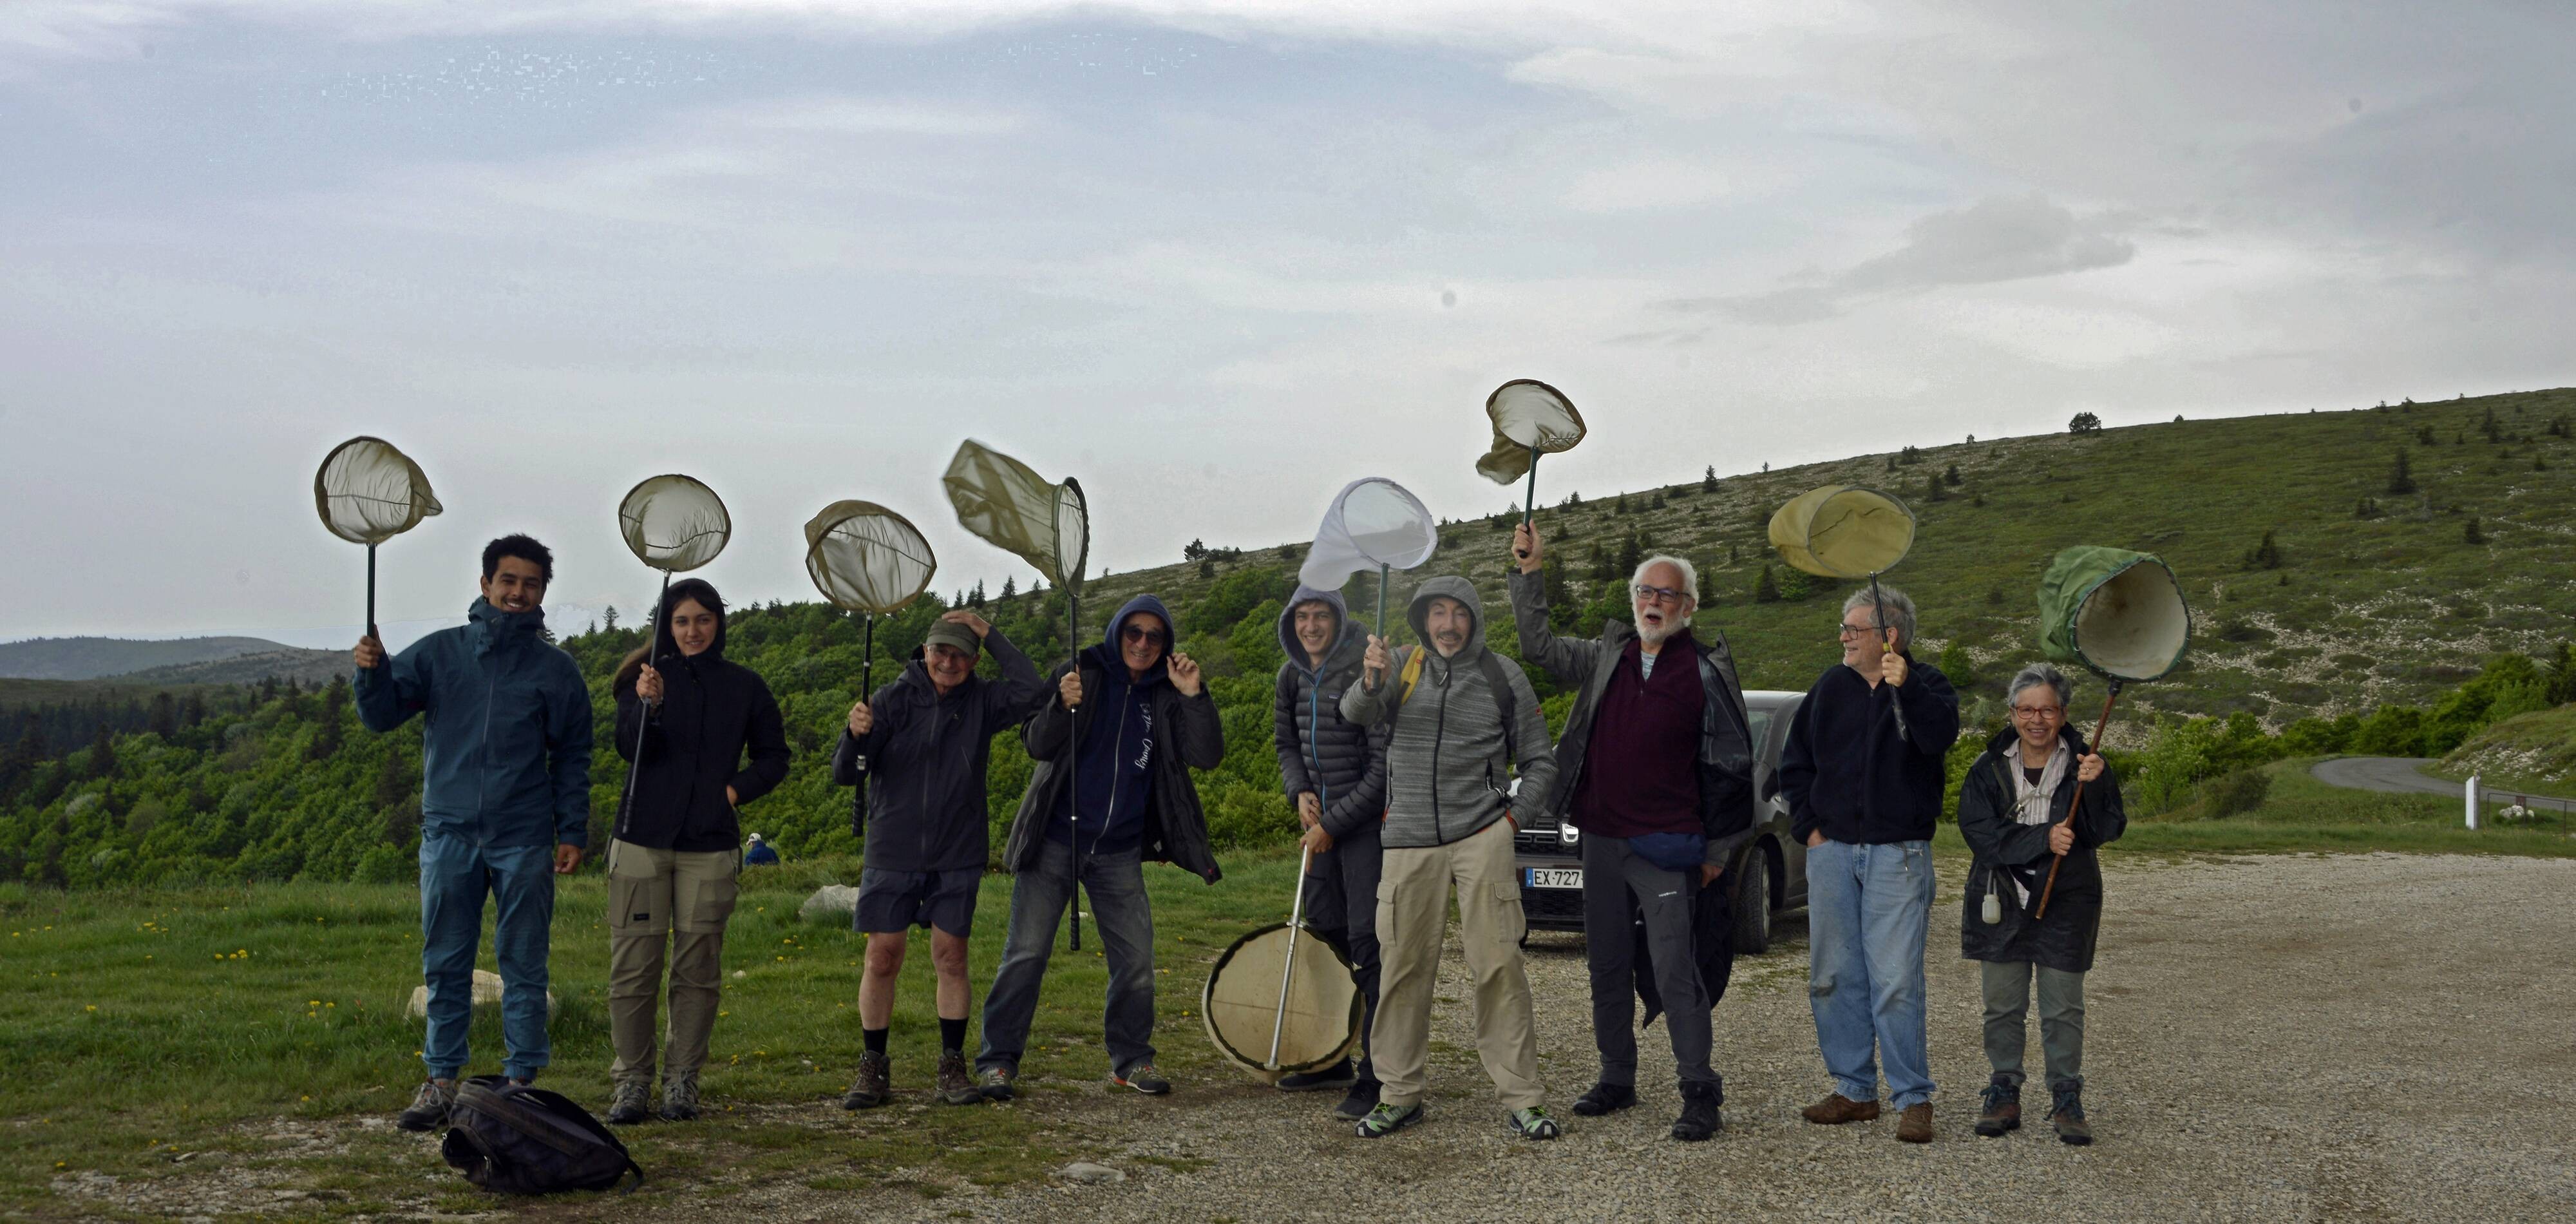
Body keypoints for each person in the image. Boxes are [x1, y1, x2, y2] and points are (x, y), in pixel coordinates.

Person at [1507, 524, 1756, 1142]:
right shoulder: (1604, 657)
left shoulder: (1703, 672)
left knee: (1676, 969)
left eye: (1668, 594)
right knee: (1607, 964)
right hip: (1600, 837)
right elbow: (1536, 644)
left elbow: (1731, 769)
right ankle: (1617, 1077)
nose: (1655, 601)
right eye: (1646, 590)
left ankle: (1700, 1090)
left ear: (1688, 607)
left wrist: (1719, 852)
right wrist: (1530, 573)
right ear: (1633, 599)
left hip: (1665, 845)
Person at [354, 535, 593, 1133]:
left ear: (542, 592)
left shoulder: (557, 672)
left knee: (524, 961)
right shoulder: (440, 654)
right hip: (449, 832)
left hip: (525, 835)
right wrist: (372, 674)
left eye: (530, 584)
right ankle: (440, 1081)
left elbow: (573, 757)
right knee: (446, 960)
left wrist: (573, 829)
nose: (517, 593)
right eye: (508, 581)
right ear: (486, 584)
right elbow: (381, 717)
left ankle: (519, 1086)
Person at [977, 596, 1224, 1101]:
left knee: (1135, 960)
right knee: (1025, 955)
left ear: (1166, 646)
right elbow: (1036, 744)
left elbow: (1207, 755)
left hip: (1119, 850)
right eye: (1134, 632)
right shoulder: (1081, 670)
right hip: (1054, 839)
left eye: (1155, 637)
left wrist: (1195, 695)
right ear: (1117, 631)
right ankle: (997, 1062)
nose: (1142, 643)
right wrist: (1059, 705)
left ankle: (1131, 1060)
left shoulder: (1167, 693)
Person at [1340, 576, 1560, 1141]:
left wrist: (1511, 822)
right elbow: (1357, 713)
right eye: (1437, 613)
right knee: (1403, 970)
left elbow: (1540, 761)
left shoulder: (1501, 674)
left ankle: (1523, 1099)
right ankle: (1399, 1095)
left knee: (1499, 967)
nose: (1448, 624)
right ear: (1422, 619)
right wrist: (1370, 678)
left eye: (1458, 614)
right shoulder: (1401, 665)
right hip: (1408, 840)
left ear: (1474, 620)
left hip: (1481, 834)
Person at [835, 610, 1044, 1109]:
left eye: (959, 654)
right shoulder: (890, 699)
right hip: (892, 849)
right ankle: (873, 1067)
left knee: (952, 958)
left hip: (958, 850)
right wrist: (854, 732)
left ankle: (952, 1064)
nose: (947, 662)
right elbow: (847, 774)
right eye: (939, 651)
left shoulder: (985, 702)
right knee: (882, 957)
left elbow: (1032, 689)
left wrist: (991, 632)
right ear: (924, 651)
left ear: (973, 661)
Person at [601, 579, 789, 1125]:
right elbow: (628, 749)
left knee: (697, 971)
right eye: (682, 621)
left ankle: (682, 1080)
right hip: (640, 839)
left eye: (703, 620)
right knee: (633, 970)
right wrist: (649, 707)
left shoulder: (745, 686)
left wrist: (733, 791)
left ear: (718, 623)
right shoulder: (641, 681)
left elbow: (775, 757)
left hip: (709, 846)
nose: (693, 631)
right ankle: (632, 1083)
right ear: (667, 625)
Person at [1779, 586, 1959, 1143]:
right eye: (1843, 628)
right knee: (1833, 976)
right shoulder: (1830, 688)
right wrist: (1809, 831)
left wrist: (1907, 690)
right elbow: (1796, 763)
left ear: (1890, 636)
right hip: (1831, 852)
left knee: (1897, 979)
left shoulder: (1928, 685)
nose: (1842, 638)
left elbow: (1938, 738)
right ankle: (1855, 1091)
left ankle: (1913, 1098)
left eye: (1852, 630)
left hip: (1898, 854)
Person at [1958, 664, 2126, 1146]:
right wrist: (2042, 839)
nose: (2037, 719)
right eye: (2027, 709)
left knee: (2063, 1007)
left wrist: (2098, 785)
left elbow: (2107, 829)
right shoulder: (1986, 767)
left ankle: (2067, 1095)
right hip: (2002, 896)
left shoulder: (2087, 763)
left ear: (2063, 713)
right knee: (2002, 1006)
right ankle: (2004, 1089)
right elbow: (1980, 834)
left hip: (2069, 897)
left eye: (2047, 709)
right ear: (2012, 713)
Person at [1269, 584, 1390, 1120]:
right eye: (1303, 616)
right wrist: (1299, 791)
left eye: (1321, 615)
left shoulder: (1365, 670)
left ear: (1338, 619)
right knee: (1326, 940)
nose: (1311, 626)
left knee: (1367, 943)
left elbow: (1382, 770)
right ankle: (1330, 1057)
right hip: (1320, 827)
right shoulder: (1290, 675)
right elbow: (1285, 744)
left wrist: (1333, 825)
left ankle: (1378, 1072)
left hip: (1363, 830)